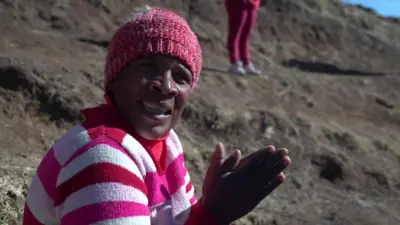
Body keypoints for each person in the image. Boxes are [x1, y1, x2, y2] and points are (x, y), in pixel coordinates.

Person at [22, 6, 291, 225]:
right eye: (147, 66)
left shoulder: (167, 144)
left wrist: (209, 209)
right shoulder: (101, 159)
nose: (166, 85)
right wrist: (215, 216)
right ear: (114, 79)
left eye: (181, 77)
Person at [225, 0, 262, 76]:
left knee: (246, 34)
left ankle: (246, 62)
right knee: (235, 33)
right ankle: (235, 63)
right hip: (238, 2)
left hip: (253, 3)